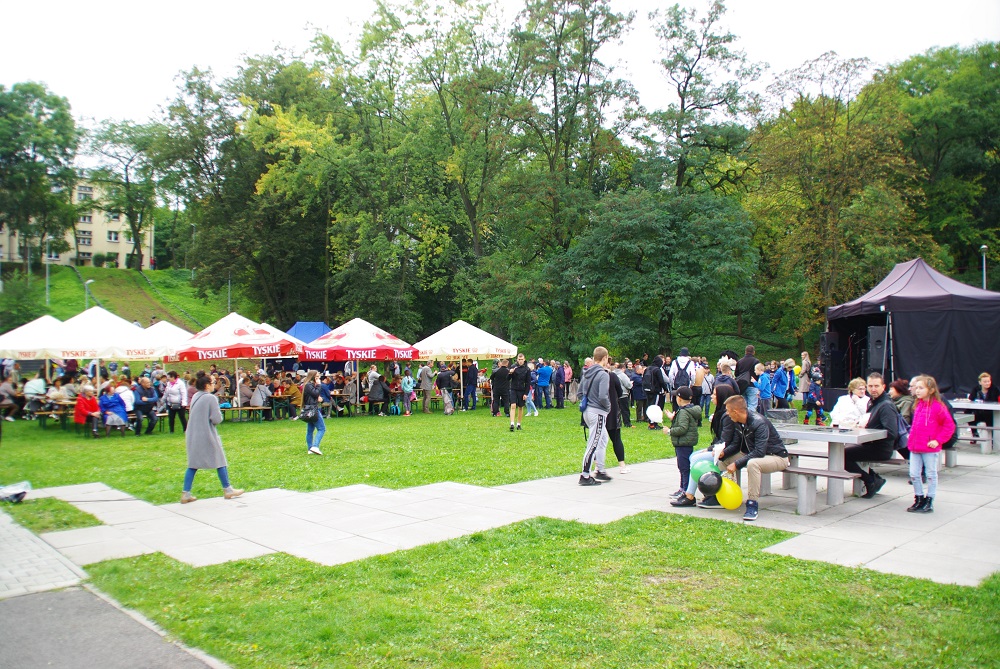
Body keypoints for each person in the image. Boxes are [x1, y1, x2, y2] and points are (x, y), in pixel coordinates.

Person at [717, 395, 789, 521]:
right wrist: (724, 453)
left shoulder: (759, 422)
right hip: (753, 454)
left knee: (752, 464)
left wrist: (737, 464)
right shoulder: (739, 422)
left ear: (735, 411)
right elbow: (736, 445)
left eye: (728, 411)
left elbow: (760, 452)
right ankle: (732, 494)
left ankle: (752, 503)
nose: (727, 414)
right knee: (724, 461)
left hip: (776, 457)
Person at [181, 375, 244, 504]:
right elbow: (216, 419)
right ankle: (228, 489)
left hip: (192, 434)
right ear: (207, 385)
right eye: (213, 382)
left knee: (193, 464)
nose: (215, 384)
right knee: (220, 459)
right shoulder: (211, 398)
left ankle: (185, 493)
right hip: (206, 433)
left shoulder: (196, 396)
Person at [844, 373, 900, 499]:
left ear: (883, 386)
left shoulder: (886, 406)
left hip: (881, 448)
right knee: (843, 451)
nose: (873, 389)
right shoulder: (873, 402)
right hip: (870, 444)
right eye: (870, 386)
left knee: (842, 455)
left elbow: (892, 432)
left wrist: (869, 432)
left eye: (876, 386)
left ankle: (870, 480)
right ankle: (874, 479)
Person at [905, 375, 954, 514]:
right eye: (917, 388)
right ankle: (919, 497)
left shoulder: (938, 407)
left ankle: (929, 500)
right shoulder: (918, 405)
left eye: (921, 388)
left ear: (931, 390)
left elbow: (949, 425)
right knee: (914, 474)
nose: (918, 390)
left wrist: (938, 440)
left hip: (929, 447)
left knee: (931, 474)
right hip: (915, 446)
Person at [579, 346, 613, 486]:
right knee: (593, 442)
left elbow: (580, 392)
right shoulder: (603, 374)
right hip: (598, 411)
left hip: (588, 410)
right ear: (604, 358)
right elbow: (603, 396)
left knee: (602, 438)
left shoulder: (587, 372)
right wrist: (608, 407)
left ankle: (600, 469)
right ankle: (585, 475)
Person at [664, 387, 703, 504]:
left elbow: (682, 428)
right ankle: (683, 488)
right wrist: (673, 418)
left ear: (679, 399)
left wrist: (670, 431)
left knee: (684, 468)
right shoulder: (689, 410)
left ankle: (685, 490)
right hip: (686, 443)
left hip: (683, 443)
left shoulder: (683, 412)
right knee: (683, 467)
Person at [968, 372, 999, 444]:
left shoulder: (995, 389)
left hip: (991, 412)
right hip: (979, 412)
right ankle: (975, 434)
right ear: (980, 382)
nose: (987, 383)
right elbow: (971, 399)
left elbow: (994, 401)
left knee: (989, 416)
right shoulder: (976, 389)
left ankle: (993, 439)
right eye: (985, 382)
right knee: (968, 413)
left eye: (988, 381)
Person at [301, 370, 326, 455]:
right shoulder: (308, 385)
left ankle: (310, 448)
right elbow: (315, 393)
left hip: (310, 408)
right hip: (313, 409)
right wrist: (319, 385)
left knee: (310, 430)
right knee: (322, 429)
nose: (319, 379)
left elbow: (315, 396)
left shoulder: (308, 385)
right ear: (313, 377)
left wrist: (320, 399)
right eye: (317, 377)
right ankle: (315, 446)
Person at [508, 353, 531, 431]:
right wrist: (510, 372)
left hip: (522, 389)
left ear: (524, 359)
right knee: (513, 405)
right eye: (519, 359)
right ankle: (512, 424)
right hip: (513, 388)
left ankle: (518, 424)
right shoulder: (513, 367)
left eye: (522, 359)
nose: (520, 361)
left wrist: (526, 393)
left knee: (520, 407)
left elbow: (528, 382)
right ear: (517, 360)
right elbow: (507, 379)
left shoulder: (527, 369)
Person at [735, 345, 761, 412]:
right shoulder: (756, 361)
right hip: (752, 385)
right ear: (753, 352)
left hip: (742, 385)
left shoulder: (740, 361)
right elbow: (758, 374)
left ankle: (744, 421)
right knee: (752, 405)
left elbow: (736, 374)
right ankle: (750, 420)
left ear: (745, 352)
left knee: (744, 406)